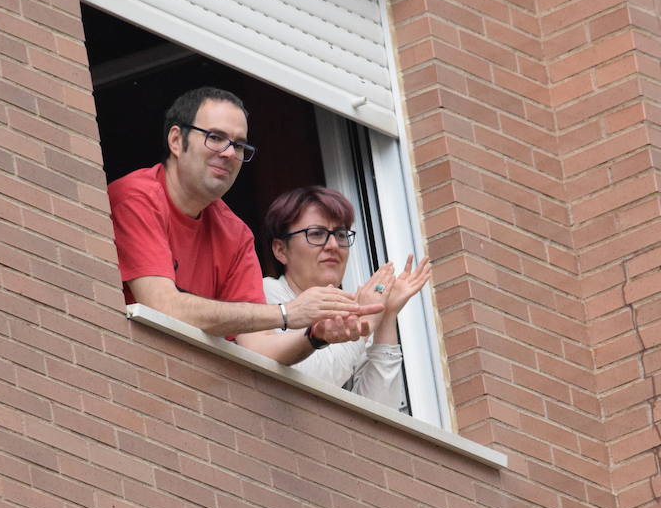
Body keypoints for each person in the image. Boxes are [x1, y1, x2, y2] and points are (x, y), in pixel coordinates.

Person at [107, 87, 381, 364]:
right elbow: (163, 307)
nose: (229, 153)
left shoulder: (235, 234)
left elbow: (257, 348)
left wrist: (313, 337)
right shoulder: (137, 198)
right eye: (215, 138)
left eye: (239, 145)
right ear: (176, 140)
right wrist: (287, 313)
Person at [263, 186, 432, 407]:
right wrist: (363, 322)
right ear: (280, 250)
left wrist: (386, 316)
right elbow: (309, 382)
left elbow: (380, 415)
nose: (333, 245)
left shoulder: (355, 309)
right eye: (316, 234)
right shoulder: (266, 294)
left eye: (341, 235)